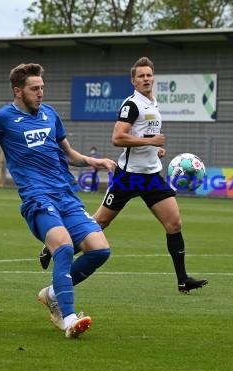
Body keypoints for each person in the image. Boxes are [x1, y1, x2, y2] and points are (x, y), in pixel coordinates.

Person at [0, 63, 117, 339]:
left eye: (42, 88)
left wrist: (94, 161)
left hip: (65, 195)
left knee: (99, 250)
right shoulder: (3, 117)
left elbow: (68, 153)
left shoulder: (50, 114)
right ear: (18, 91)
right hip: (37, 197)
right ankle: (68, 318)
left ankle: (54, 293)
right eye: (35, 89)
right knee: (64, 247)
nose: (41, 93)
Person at [93, 56, 207, 293]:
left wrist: (155, 148)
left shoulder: (153, 103)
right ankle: (56, 247)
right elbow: (117, 138)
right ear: (133, 81)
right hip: (129, 176)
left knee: (174, 224)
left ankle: (182, 279)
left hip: (152, 175)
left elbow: (143, 136)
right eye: (141, 76)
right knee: (100, 222)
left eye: (149, 75)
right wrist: (150, 140)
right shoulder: (131, 104)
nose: (146, 79)